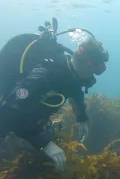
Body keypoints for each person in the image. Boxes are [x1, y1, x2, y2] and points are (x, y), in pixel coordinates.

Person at [0, 19, 109, 171]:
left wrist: (82, 117)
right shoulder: (41, 77)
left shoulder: (70, 72)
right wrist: (45, 143)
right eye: (97, 70)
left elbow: (75, 91)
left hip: (28, 117)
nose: (95, 76)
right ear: (87, 63)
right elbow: (7, 114)